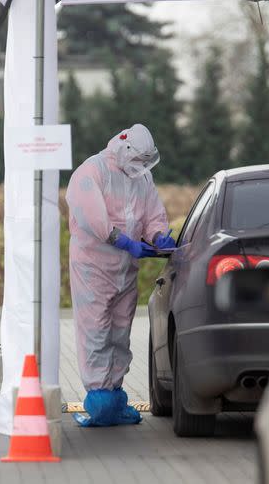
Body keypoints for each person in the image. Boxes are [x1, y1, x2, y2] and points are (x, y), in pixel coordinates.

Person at [66, 123, 177, 427]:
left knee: (120, 332)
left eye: (146, 162)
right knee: (96, 331)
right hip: (93, 268)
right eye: (139, 161)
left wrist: (157, 237)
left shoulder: (141, 175)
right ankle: (99, 399)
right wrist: (126, 242)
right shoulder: (92, 172)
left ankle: (114, 397)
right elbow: (94, 220)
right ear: (125, 150)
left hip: (125, 270)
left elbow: (153, 213)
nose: (142, 167)